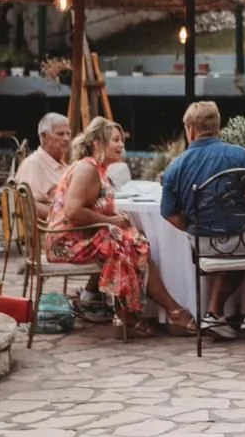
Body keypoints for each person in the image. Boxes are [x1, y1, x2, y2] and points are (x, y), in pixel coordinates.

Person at [47, 116, 195, 337]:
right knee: (129, 244)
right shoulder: (87, 170)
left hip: (80, 236)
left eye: (121, 140)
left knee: (132, 241)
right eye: (115, 140)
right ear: (98, 144)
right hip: (65, 242)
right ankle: (164, 311)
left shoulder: (97, 169)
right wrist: (110, 221)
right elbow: (73, 212)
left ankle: (132, 315)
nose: (121, 145)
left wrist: (113, 218)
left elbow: (91, 208)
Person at [160, 101, 245, 342]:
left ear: (190, 129)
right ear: (218, 126)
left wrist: (193, 227)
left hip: (202, 245)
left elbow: (168, 212)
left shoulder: (176, 165)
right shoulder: (238, 154)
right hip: (241, 242)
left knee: (239, 249)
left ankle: (214, 315)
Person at [15, 111, 114, 326]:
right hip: (54, 236)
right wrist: (60, 213)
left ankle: (93, 297)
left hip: (70, 229)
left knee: (113, 236)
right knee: (115, 240)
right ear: (43, 137)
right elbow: (28, 206)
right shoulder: (35, 165)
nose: (67, 138)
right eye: (60, 134)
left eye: (69, 133)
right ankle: (101, 301)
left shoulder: (64, 164)